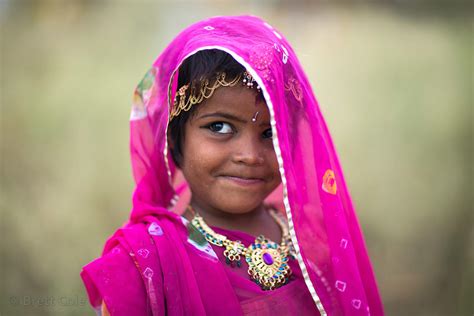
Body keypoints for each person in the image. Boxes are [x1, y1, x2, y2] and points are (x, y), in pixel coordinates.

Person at [81, 15, 384, 316]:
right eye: (220, 127)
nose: (250, 155)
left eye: (270, 133)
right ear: (173, 139)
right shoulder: (143, 264)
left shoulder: (314, 242)